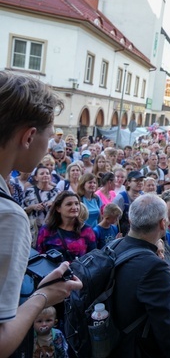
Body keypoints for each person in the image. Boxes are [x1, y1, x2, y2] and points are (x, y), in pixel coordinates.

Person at [0, 71, 82, 356]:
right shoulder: (8, 216)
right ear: (29, 136)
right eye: (51, 135)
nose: (51, 143)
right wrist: (44, 296)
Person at [108, 194, 170, 357]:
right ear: (162, 224)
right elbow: (168, 327)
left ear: (130, 221)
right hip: (135, 348)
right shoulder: (155, 267)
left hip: (112, 342)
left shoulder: (112, 246)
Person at [36, 191, 97, 261]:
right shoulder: (46, 230)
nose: (74, 207)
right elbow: (39, 258)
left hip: (78, 271)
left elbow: (93, 259)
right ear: (58, 208)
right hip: (52, 271)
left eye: (77, 204)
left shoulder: (87, 231)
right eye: (69, 204)